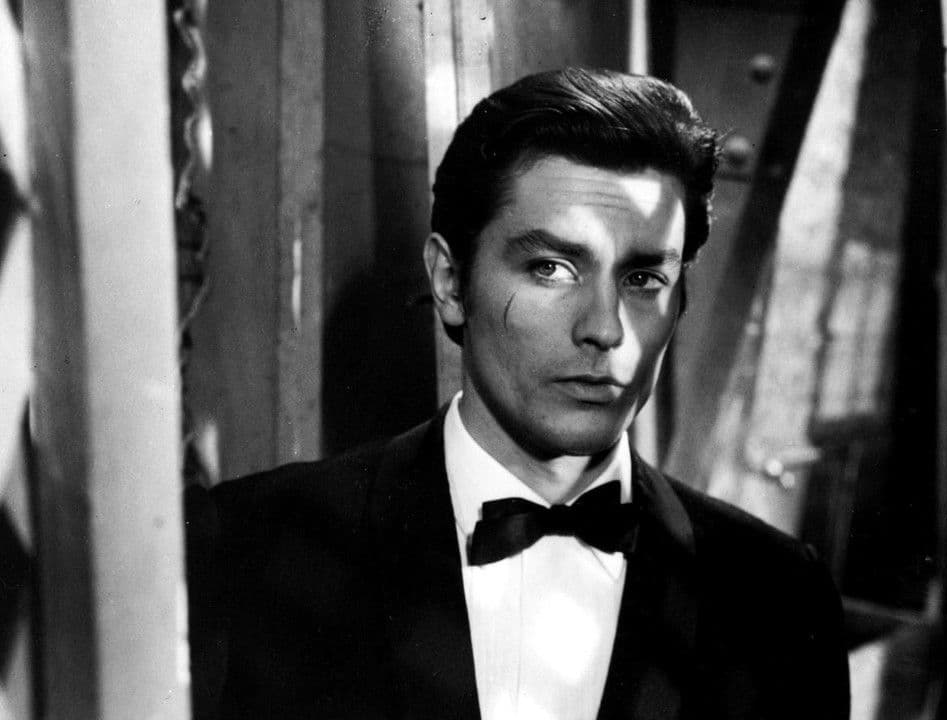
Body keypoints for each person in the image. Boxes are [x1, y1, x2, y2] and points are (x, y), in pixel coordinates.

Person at [186, 67, 849, 720]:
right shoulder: (249, 547)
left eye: (643, 278)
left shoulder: (781, 597)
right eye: (551, 268)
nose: (605, 329)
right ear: (450, 282)